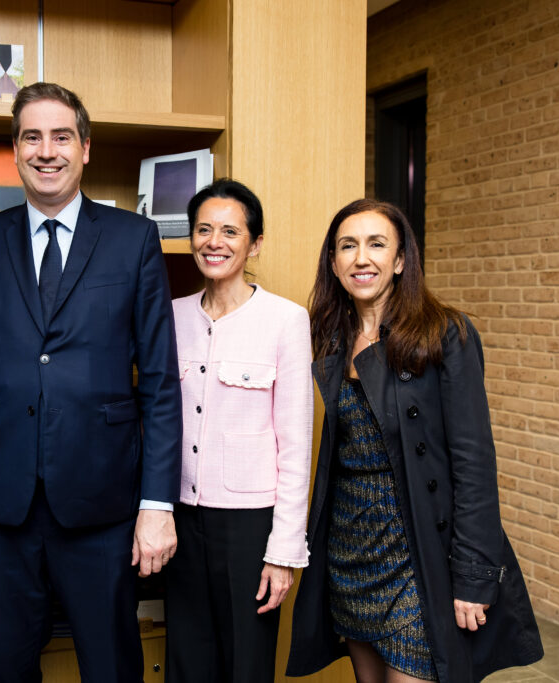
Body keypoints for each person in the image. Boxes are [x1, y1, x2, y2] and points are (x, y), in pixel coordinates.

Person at [0, 81, 182, 682]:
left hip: (103, 505)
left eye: (61, 136)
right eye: (32, 137)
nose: (47, 151)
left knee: (111, 668)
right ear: (15, 151)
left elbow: (160, 383)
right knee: (7, 670)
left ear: (86, 148)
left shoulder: (133, 239)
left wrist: (156, 504)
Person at [286, 199, 543, 683]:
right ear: (335, 263)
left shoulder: (446, 333)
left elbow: (474, 464)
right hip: (349, 547)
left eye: (376, 244)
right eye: (348, 246)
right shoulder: (329, 336)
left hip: (416, 547)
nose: (362, 258)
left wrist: (475, 575)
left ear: (401, 260)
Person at [165, 179, 313, 682]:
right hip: (181, 520)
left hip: (251, 527)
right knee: (187, 662)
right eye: (203, 229)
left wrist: (283, 553)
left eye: (230, 231)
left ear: (255, 243)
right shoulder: (170, 316)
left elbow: (296, 445)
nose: (214, 242)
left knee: (246, 666)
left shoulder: (286, 321)